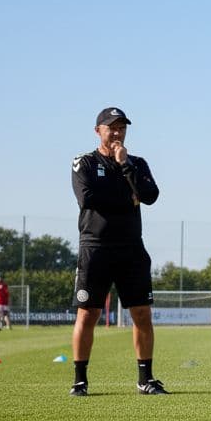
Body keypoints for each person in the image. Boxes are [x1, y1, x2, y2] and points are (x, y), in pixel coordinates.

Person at [70, 107, 164, 396]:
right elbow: (88, 199)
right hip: (95, 249)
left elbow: (150, 196)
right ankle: (80, 380)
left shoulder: (137, 163)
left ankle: (145, 379)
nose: (117, 132)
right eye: (111, 127)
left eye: (122, 127)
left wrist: (125, 167)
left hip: (131, 249)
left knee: (142, 314)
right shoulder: (83, 162)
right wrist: (128, 197)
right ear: (98, 130)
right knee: (88, 315)